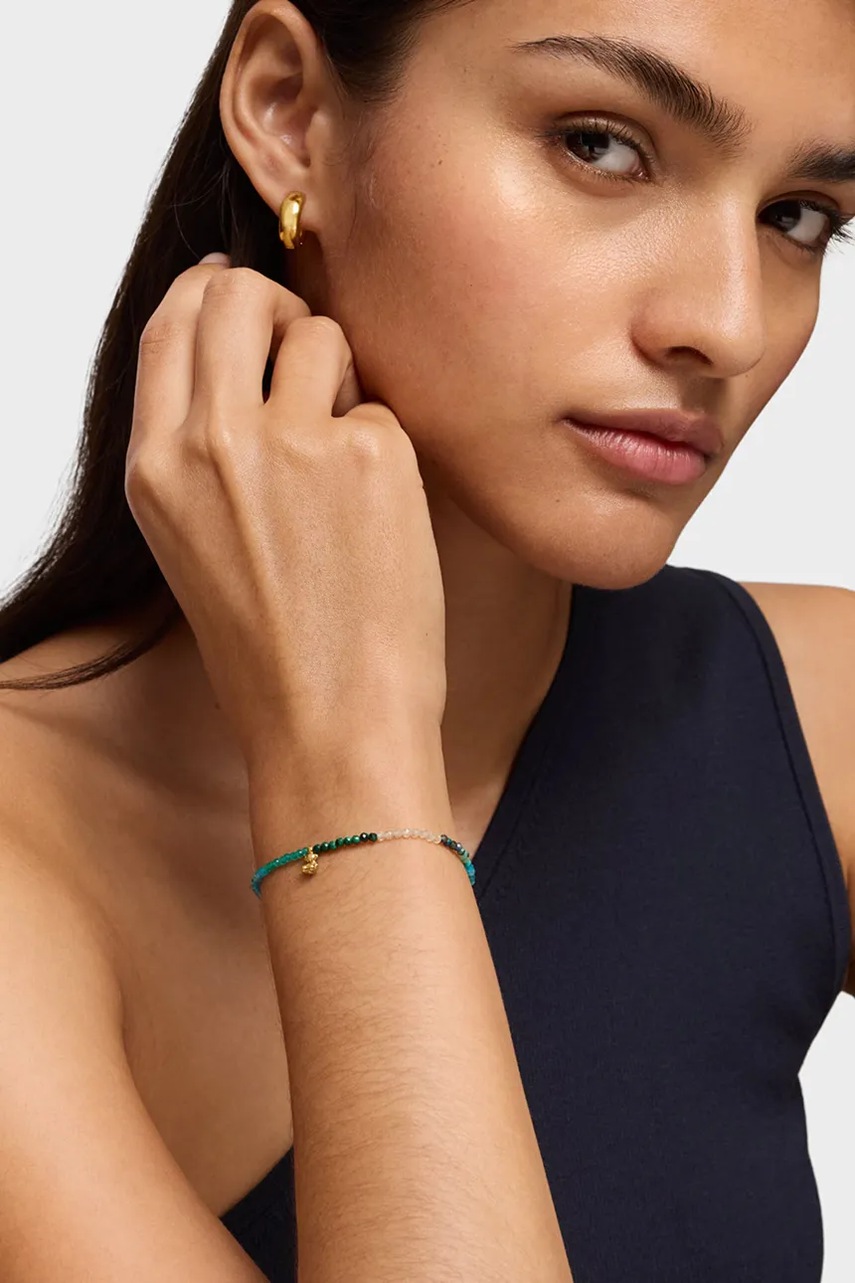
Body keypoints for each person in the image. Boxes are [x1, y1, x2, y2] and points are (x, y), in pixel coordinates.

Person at [0, 0, 853, 1279]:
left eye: (799, 216)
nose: (729, 324)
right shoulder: (24, 869)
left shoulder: (810, 720)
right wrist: (346, 759)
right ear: (289, 112)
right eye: (601, 146)